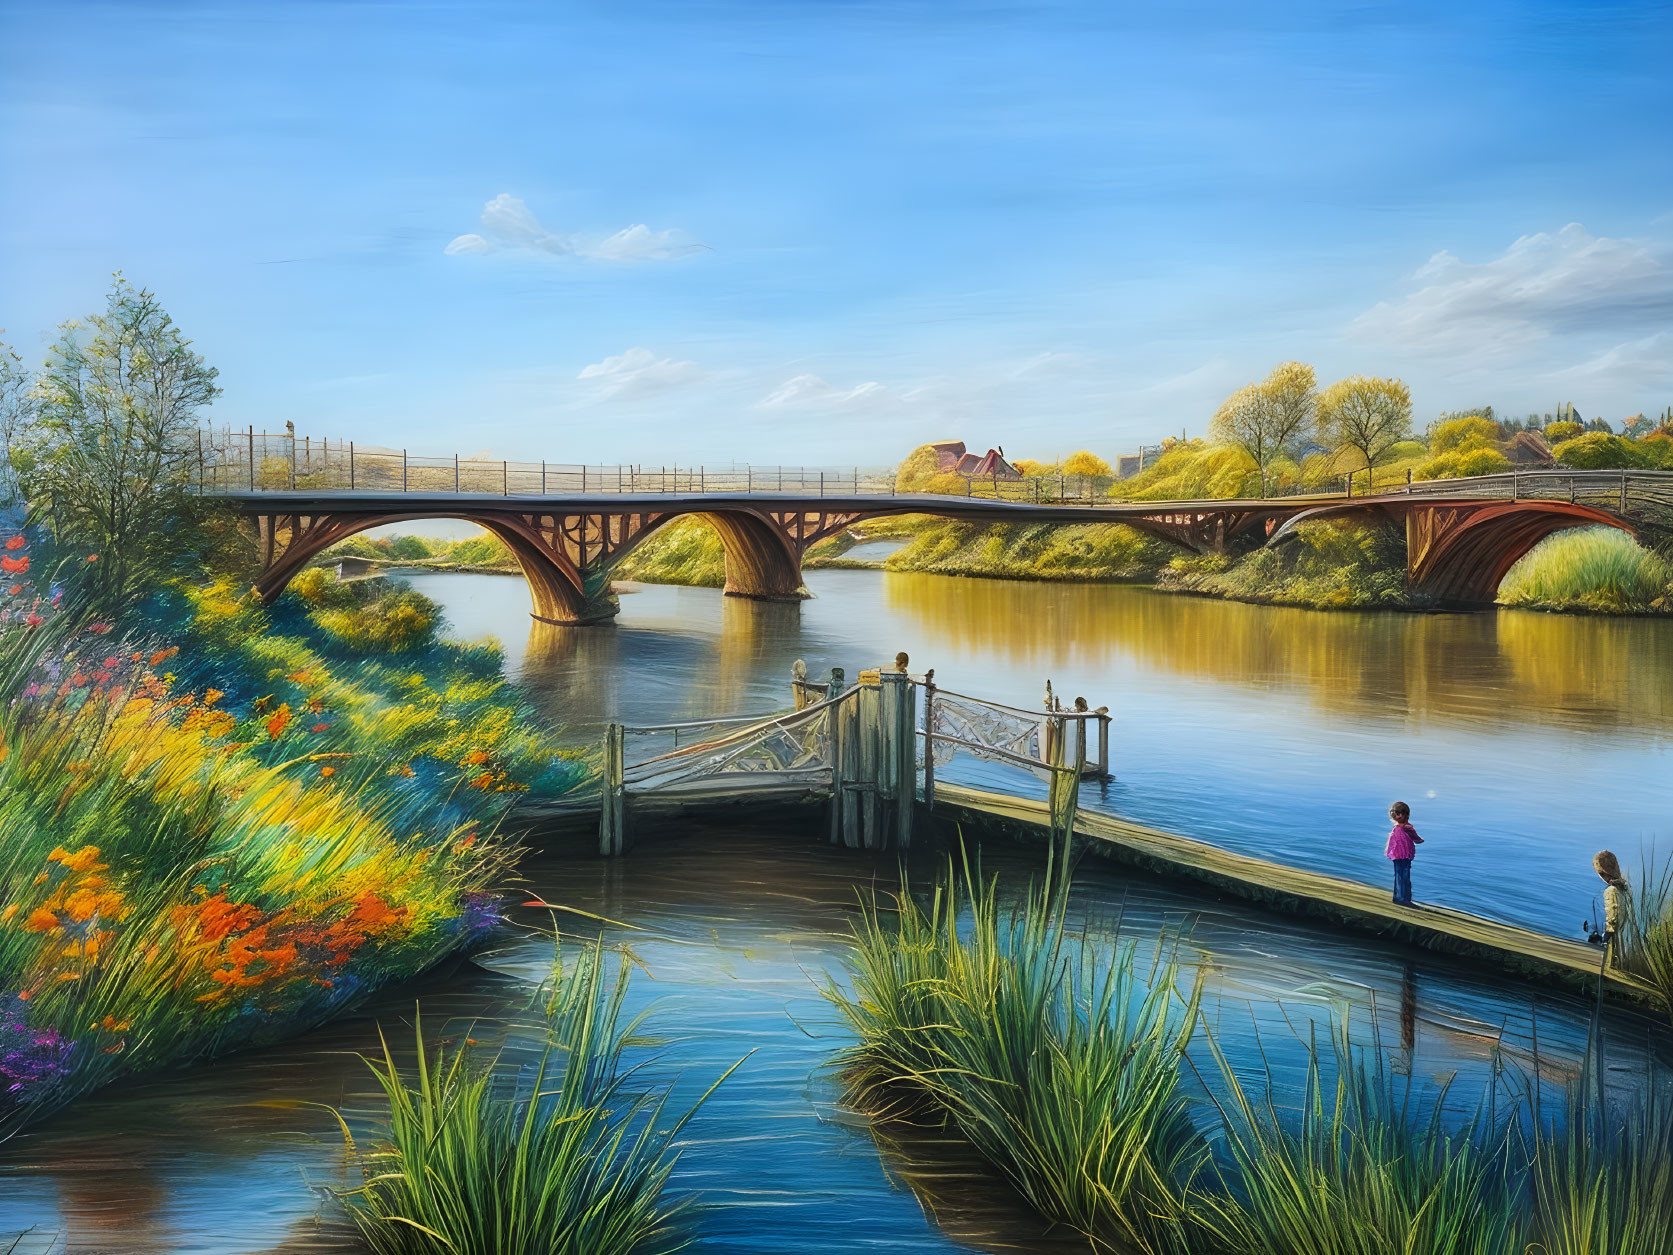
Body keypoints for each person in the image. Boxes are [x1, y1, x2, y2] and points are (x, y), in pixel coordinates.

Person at [1586, 850, 1630, 958]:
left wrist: (1606, 938)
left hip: (1613, 940)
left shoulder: (1611, 891)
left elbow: (1613, 919)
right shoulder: (1624, 888)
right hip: (1623, 937)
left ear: (1602, 874)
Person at [1385, 801, 1423, 906]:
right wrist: (1419, 840)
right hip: (1399, 855)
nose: (1400, 816)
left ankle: (1400, 898)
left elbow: (1415, 838)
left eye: (1403, 813)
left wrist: (1419, 840)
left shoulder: (1405, 827)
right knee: (1402, 876)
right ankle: (1402, 899)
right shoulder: (1402, 827)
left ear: (1407, 815)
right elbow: (1415, 838)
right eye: (1397, 813)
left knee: (1402, 876)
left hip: (1402, 855)